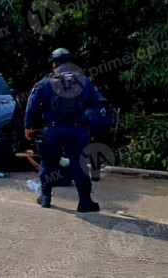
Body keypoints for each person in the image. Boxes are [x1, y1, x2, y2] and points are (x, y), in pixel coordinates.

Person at [24, 48, 107, 212]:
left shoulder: (45, 82)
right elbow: (99, 104)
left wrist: (28, 127)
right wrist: (95, 128)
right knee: (79, 164)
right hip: (77, 131)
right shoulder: (85, 81)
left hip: (52, 131)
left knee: (48, 163)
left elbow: (31, 106)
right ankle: (84, 201)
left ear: (54, 63)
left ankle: (46, 197)